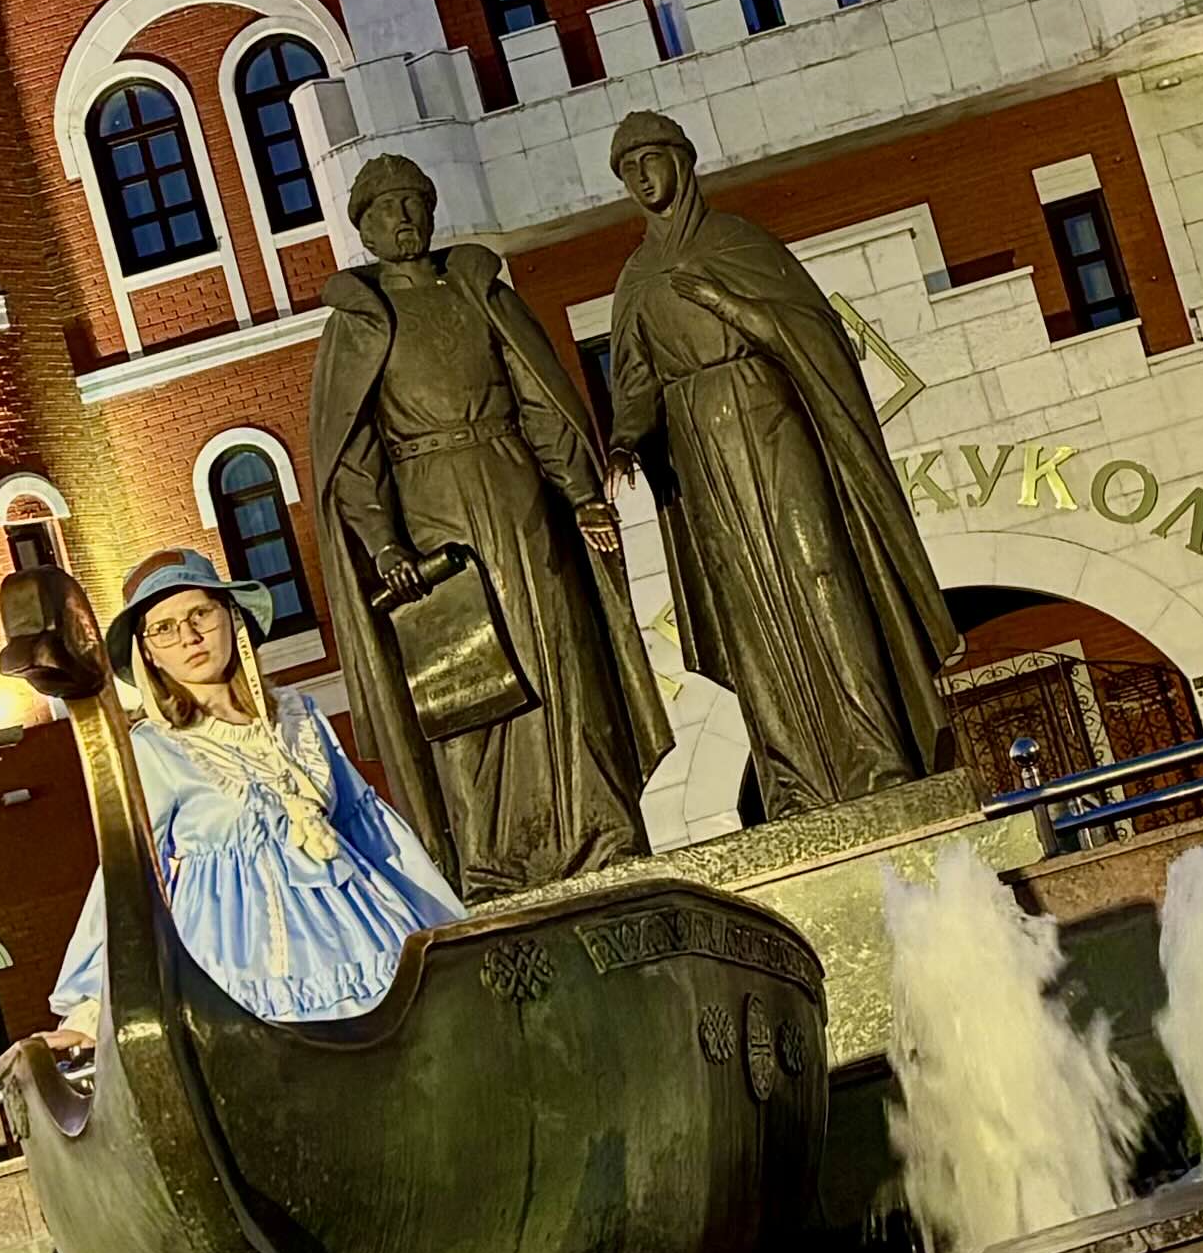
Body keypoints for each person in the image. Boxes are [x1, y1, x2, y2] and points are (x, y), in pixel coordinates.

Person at [310, 150, 665, 898]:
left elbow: (539, 399)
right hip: (428, 511)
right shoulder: (359, 324)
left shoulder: (479, 291)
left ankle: (600, 830)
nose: (404, 217)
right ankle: (493, 858)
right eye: (387, 208)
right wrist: (384, 543)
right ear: (364, 228)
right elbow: (353, 455)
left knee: (558, 656)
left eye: (415, 202)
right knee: (464, 684)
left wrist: (579, 493)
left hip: (516, 494)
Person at [603, 108, 960, 819]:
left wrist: (732, 305)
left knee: (821, 574)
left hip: (772, 423)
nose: (641, 176)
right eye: (627, 168)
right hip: (701, 456)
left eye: (651, 158)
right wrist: (623, 441)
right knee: (749, 610)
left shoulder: (738, 240)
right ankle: (793, 780)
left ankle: (879, 756)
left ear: (682, 160)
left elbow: (817, 334)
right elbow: (636, 381)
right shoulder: (636, 278)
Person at [45, 547, 463, 1045]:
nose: (189, 637)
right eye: (165, 629)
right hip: (240, 964)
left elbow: (369, 830)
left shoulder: (299, 716)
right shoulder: (156, 748)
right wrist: (91, 1009)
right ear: (148, 653)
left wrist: (447, 931)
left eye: (200, 614)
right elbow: (128, 875)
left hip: (366, 935)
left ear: (231, 617)